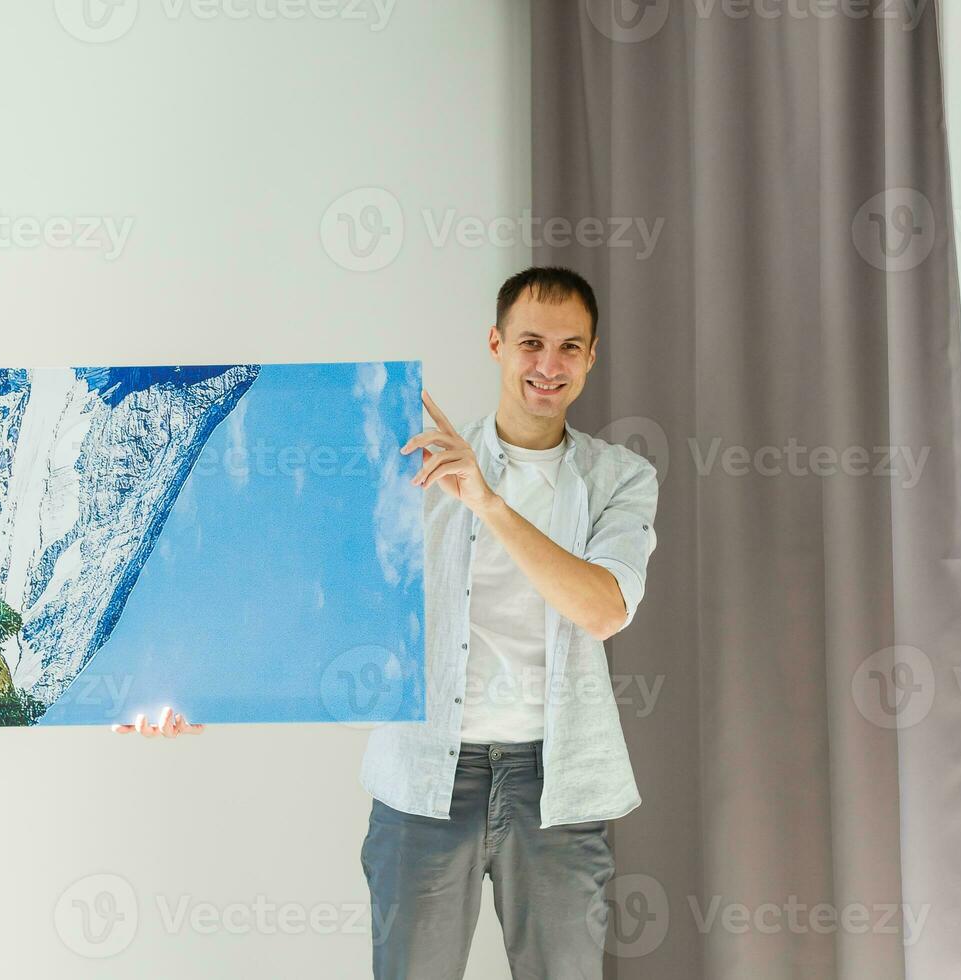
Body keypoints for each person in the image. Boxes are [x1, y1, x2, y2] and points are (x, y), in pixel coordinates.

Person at [116, 266, 660, 980]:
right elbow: (310, 595)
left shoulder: (619, 477)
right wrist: (195, 690)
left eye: (568, 347)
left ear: (591, 358)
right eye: (531, 342)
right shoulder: (410, 464)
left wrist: (490, 503)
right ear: (495, 345)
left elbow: (603, 609)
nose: (547, 365)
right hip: (425, 776)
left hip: (557, 784)